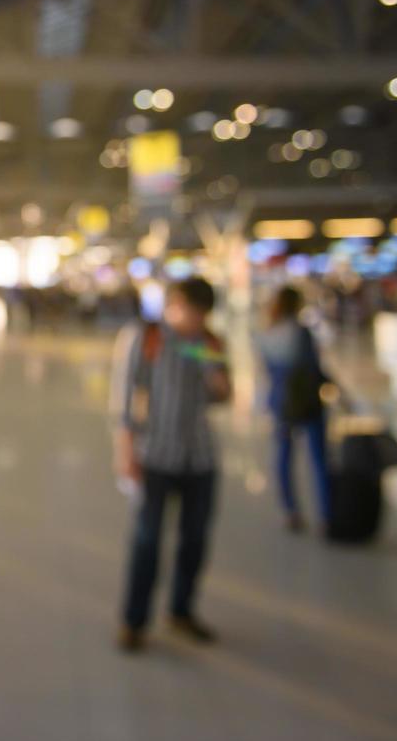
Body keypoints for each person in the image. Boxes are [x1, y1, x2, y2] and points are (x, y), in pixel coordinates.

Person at [111, 278, 231, 653]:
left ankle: (181, 611)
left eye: (203, 316)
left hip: (200, 458)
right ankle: (134, 620)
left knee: (194, 540)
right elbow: (128, 397)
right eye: (192, 312)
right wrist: (126, 451)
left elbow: (223, 395)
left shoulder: (207, 344)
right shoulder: (147, 340)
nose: (196, 321)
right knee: (147, 541)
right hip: (155, 456)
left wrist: (213, 369)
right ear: (175, 304)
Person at [259, 286, 332, 533]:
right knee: (319, 458)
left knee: (283, 457)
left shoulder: (269, 333)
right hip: (308, 401)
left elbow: (268, 370)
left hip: (282, 402)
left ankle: (290, 511)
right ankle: (325, 514)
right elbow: (313, 368)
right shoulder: (301, 333)